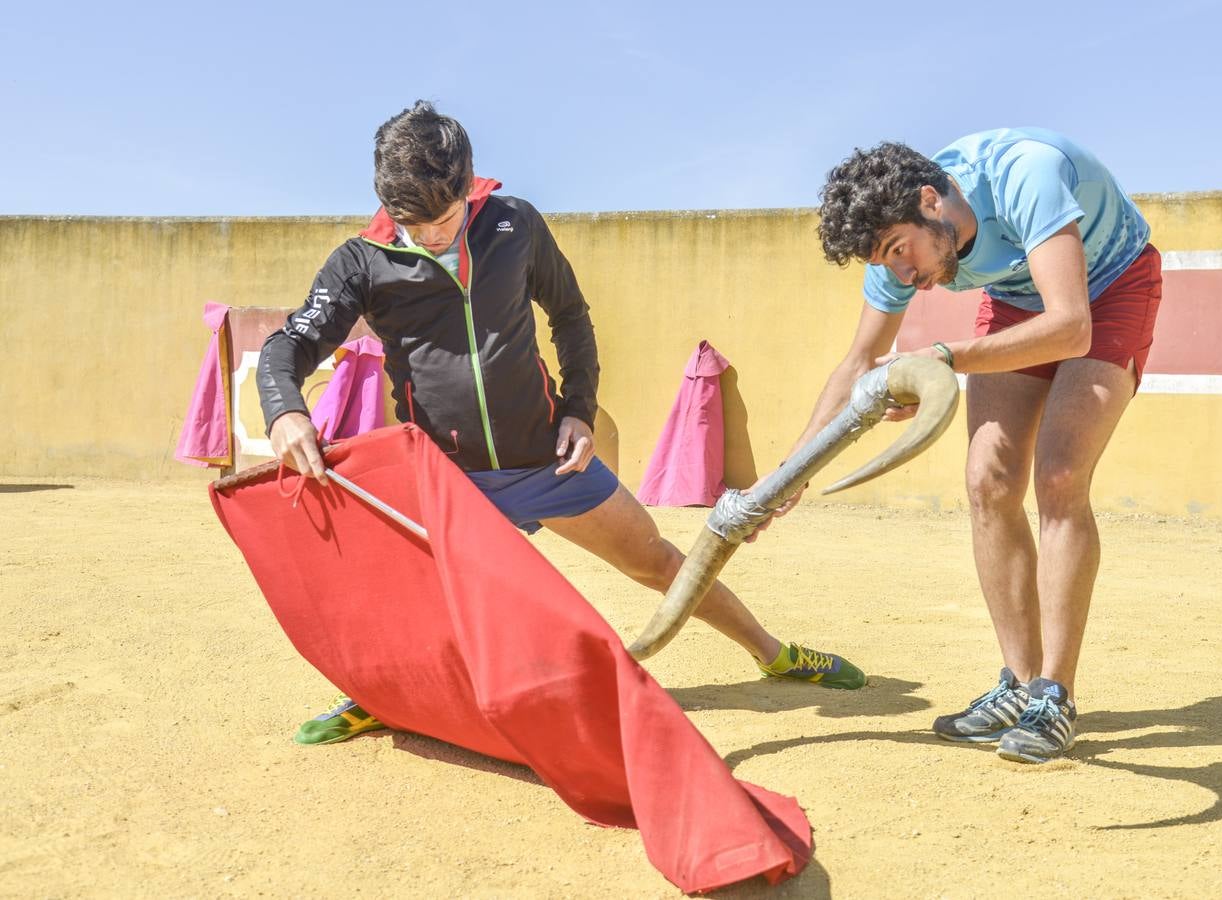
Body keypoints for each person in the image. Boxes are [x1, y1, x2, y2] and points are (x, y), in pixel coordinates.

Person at [260, 101, 865, 745]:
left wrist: (577, 410)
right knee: (417, 598)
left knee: (659, 561)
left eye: (441, 219)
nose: (431, 237)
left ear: (469, 186)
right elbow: (285, 348)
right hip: (447, 480)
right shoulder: (361, 260)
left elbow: (571, 317)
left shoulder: (514, 225)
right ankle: (377, 696)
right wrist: (285, 408)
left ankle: (772, 653)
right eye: (413, 224)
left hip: (549, 461)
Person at [776, 128, 1161, 763]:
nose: (904, 275)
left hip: (1108, 287)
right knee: (989, 481)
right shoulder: (904, 250)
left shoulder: (1025, 174)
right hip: (1015, 299)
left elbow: (1069, 327)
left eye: (901, 251)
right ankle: (1017, 683)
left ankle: (1054, 696)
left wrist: (944, 358)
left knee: (1060, 475)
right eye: (886, 264)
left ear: (931, 200)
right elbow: (859, 363)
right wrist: (790, 476)